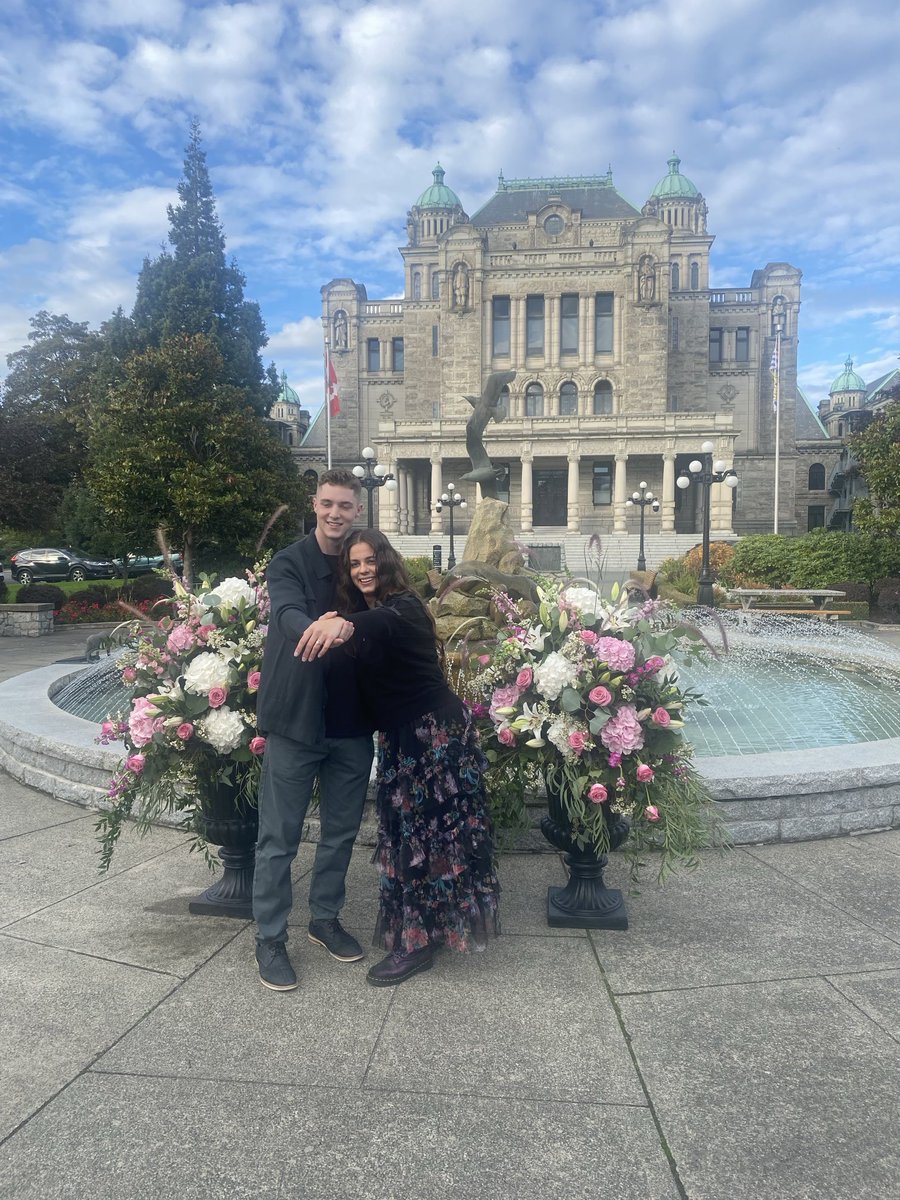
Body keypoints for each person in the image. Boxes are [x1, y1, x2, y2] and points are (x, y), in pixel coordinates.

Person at [296, 530, 500, 987]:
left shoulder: (402, 606)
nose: (363, 570)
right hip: (404, 737)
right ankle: (429, 929)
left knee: (419, 839)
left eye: (371, 561)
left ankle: (415, 943)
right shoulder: (371, 611)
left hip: (432, 736)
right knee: (415, 837)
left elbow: (378, 627)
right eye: (354, 564)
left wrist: (339, 625)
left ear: (385, 563)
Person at [252, 470, 374, 992]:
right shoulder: (289, 561)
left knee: (341, 832)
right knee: (279, 838)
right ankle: (270, 937)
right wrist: (316, 628)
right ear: (314, 503)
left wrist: (351, 624)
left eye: (345, 505)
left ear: (357, 510)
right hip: (297, 719)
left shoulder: (365, 560)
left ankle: (324, 919)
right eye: (327, 504)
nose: (335, 514)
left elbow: (393, 612)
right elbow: (285, 613)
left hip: (350, 722)